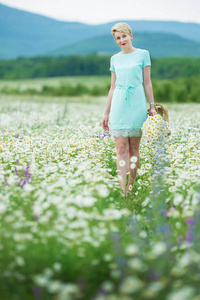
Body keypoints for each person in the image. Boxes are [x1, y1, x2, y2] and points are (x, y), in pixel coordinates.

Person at [102, 22, 157, 198]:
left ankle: (132, 186)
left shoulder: (143, 54)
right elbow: (112, 87)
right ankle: (123, 190)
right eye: (118, 38)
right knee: (120, 149)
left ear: (131, 35)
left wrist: (152, 105)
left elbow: (147, 82)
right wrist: (106, 112)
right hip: (118, 103)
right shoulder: (114, 59)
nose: (121, 40)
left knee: (134, 149)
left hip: (137, 103)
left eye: (124, 36)